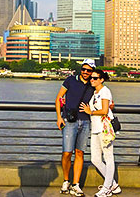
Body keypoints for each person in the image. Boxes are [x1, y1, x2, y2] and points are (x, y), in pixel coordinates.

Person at [55, 58, 95, 196]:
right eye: (83, 69)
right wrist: (59, 117)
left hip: (85, 121)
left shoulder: (93, 84)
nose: (85, 72)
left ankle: (76, 184)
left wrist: (110, 105)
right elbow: (59, 97)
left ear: (92, 72)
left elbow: (102, 96)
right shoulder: (70, 80)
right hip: (69, 121)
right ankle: (66, 180)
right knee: (67, 152)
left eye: (88, 70)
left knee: (80, 152)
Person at [80, 69, 121, 197]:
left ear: (101, 79)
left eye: (95, 78)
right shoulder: (95, 92)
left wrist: (89, 111)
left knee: (109, 158)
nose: (92, 80)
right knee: (95, 159)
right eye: (91, 78)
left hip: (105, 128)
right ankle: (113, 184)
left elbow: (104, 110)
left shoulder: (105, 91)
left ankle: (106, 188)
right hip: (95, 128)